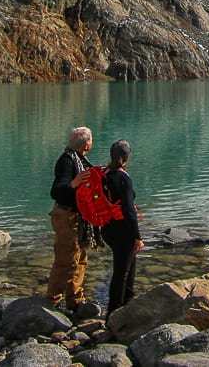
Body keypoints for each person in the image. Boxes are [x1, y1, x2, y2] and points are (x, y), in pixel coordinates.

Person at [46, 125, 94, 310]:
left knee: (80, 256)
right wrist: (74, 183)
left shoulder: (79, 159)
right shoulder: (67, 161)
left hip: (76, 217)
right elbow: (56, 191)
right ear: (87, 145)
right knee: (66, 259)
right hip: (66, 216)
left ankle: (75, 298)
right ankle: (53, 299)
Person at [101, 139, 143, 317]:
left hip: (108, 228)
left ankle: (127, 304)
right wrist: (137, 236)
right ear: (125, 157)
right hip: (123, 230)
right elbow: (128, 210)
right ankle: (113, 313)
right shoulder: (123, 177)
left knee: (128, 265)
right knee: (121, 272)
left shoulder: (104, 174)